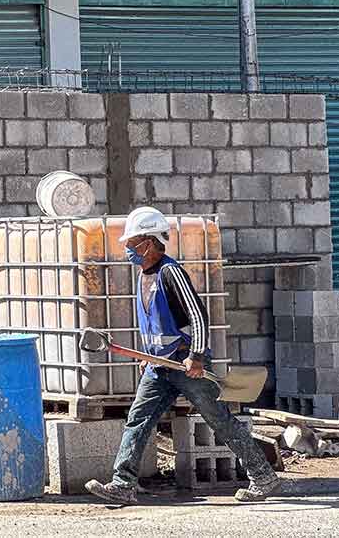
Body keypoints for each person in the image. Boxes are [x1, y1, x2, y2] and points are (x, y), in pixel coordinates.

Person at [85, 206, 282, 504]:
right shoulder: (143, 275)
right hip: (159, 367)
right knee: (138, 419)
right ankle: (123, 484)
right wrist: (149, 355)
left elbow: (198, 316)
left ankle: (263, 476)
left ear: (149, 243)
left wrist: (197, 356)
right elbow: (154, 323)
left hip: (185, 363)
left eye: (132, 243)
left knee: (219, 420)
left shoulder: (171, 272)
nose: (128, 249)